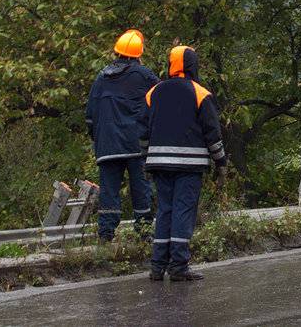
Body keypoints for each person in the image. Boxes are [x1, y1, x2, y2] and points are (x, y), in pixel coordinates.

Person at [144, 45, 228, 282]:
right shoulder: (200, 93)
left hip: (158, 163)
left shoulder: (153, 93)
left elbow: (143, 129)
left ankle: (157, 266)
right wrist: (220, 162)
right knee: (183, 211)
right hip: (189, 166)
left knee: (165, 211)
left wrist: (146, 159)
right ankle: (179, 265)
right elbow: (212, 132)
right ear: (193, 65)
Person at [85, 29, 159, 241]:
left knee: (109, 192)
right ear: (138, 54)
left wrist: (96, 137)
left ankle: (106, 236)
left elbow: (90, 113)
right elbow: (163, 98)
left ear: (117, 52)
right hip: (136, 144)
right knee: (142, 189)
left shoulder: (101, 77)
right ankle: (145, 235)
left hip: (108, 146)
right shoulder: (144, 76)